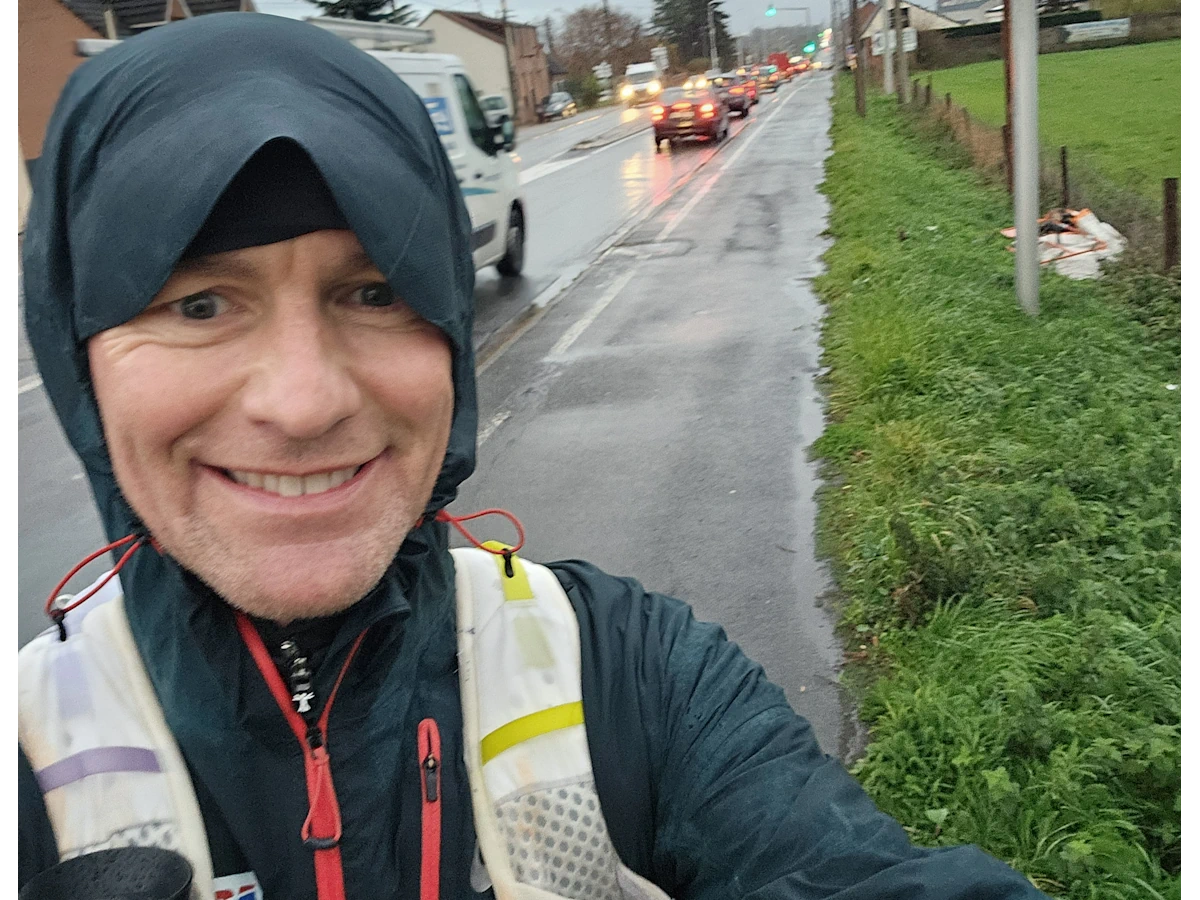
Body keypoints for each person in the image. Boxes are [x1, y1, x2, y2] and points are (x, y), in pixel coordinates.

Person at [17, 13, 1050, 900]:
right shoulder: (33, 749)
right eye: (199, 304)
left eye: (375, 292)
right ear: (80, 359)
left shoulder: (633, 677)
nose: (304, 402)